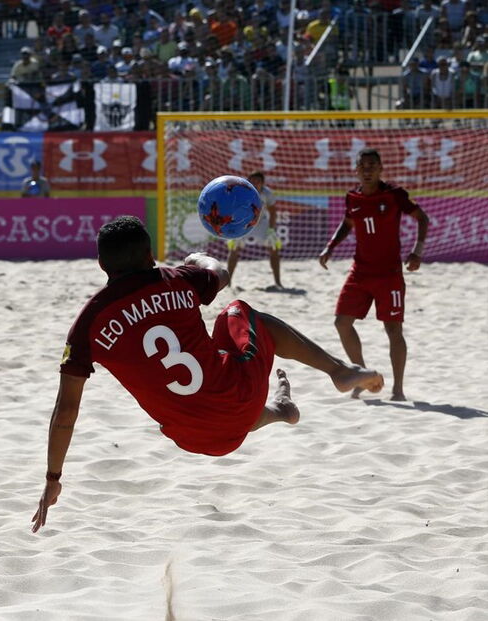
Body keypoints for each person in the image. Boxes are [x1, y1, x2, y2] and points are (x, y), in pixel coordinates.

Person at [32, 216, 384, 532]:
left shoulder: (87, 324)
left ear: (101, 264)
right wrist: (197, 259)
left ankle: (280, 411)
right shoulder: (177, 277)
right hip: (238, 404)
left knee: (206, 395)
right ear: (150, 255)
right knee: (238, 312)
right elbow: (222, 274)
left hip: (192, 438)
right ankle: (339, 370)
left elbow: (66, 411)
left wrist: (53, 478)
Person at [319, 148, 429, 402]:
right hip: (360, 272)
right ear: (356, 170)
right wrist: (330, 247)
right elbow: (348, 223)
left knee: (393, 329)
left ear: (381, 169)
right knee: (341, 323)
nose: (367, 170)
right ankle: (363, 376)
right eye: (363, 166)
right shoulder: (352, 197)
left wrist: (417, 252)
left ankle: (398, 389)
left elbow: (422, 218)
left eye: (372, 165)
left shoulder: (394, 194)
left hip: (389, 274)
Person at [225, 171, 284, 290]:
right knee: (234, 249)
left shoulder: (267, 193)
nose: (255, 183)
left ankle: (278, 283)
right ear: (248, 181)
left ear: (263, 183)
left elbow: (273, 212)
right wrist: (233, 226)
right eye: (252, 181)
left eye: (258, 181)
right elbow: (231, 209)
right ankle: (228, 283)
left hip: (261, 223)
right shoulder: (241, 192)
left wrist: (271, 229)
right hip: (243, 223)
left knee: (273, 249)